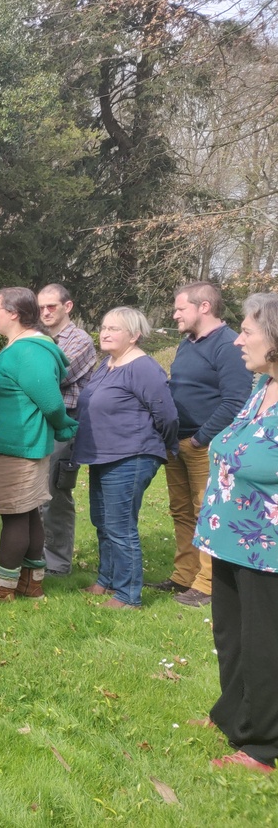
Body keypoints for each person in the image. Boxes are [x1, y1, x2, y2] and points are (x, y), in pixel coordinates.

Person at [192, 292, 278, 774]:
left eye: (247, 332)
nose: (238, 340)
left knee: (266, 642)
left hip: (269, 548)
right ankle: (233, 714)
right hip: (230, 538)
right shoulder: (260, 387)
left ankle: (264, 745)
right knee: (232, 635)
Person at [0, 288, 78, 600]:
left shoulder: (29, 351)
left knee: (15, 514)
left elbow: (52, 403)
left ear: (14, 313)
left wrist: (65, 428)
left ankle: (3, 587)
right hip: (15, 445)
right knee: (26, 513)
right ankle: (30, 582)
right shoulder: (25, 347)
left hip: (18, 447)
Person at [148, 282, 251, 607]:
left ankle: (207, 584)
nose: (175, 314)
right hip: (177, 442)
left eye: (180, 308)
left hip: (205, 444)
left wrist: (200, 438)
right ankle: (184, 576)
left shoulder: (229, 344)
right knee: (181, 511)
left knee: (207, 511)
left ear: (204, 306)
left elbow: (236, 400)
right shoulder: (187, 343)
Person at [72, 307, 178, 609]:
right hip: (102, 456)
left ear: (134, 335)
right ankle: (106, 581)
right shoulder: (107, 364)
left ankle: (129, 595)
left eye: (114, 329)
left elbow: (167, 416)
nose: (105, 333)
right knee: (102, 522)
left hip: (131, 456)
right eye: (104, 327)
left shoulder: (143, 368)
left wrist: (165, 447)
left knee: (120, 526)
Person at [37, 283, 98, 576]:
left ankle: (58, 563)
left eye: (52, 306)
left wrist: (27, 371)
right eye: (41, 308)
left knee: (55, 495)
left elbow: (55, 377)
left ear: (68, 307)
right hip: (37, 423)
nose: (46, 312)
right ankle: (36, 556)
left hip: (65, 426)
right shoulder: (40, 339)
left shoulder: (80, 340)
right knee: (33, 493)